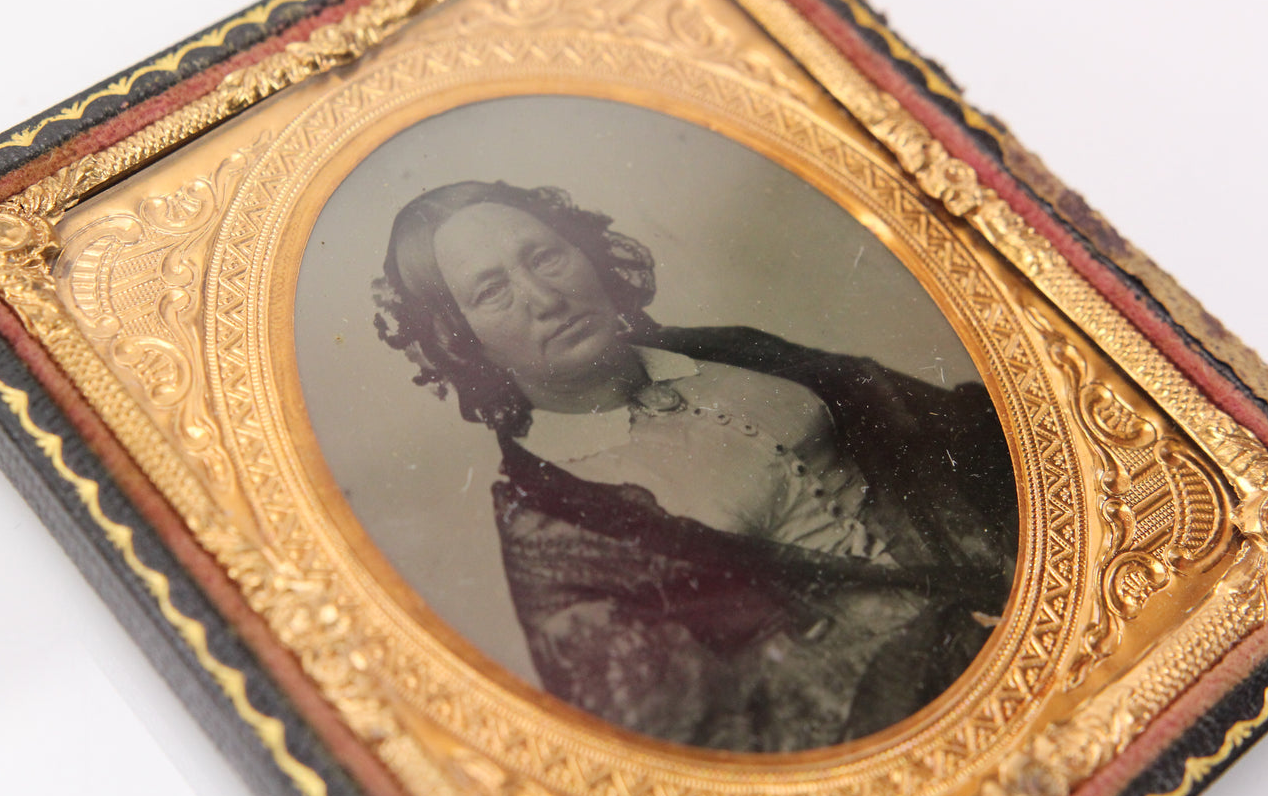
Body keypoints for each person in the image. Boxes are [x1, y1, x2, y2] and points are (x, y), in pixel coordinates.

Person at [373, 180, 1017, 752]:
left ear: (585, 253)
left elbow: (968, 434)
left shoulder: (726, 348)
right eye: (493, 291)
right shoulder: (553, 533)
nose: (544, 297)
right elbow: (703, 742)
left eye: (544, 256)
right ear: (463, 341)